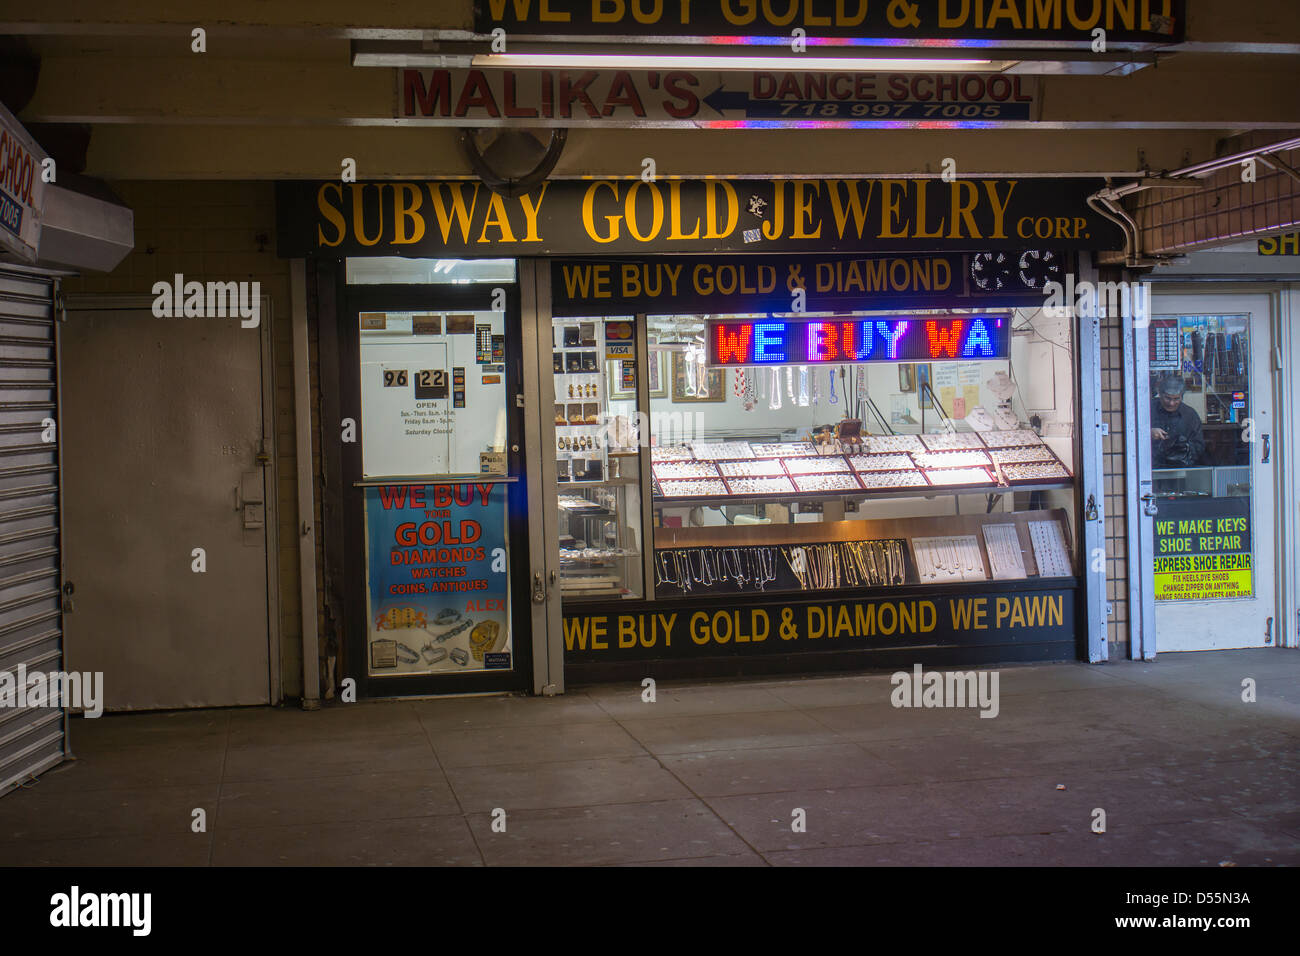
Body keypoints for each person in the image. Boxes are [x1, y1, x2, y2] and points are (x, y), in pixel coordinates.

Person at [1151, 373, 1205, 468]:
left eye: (1176, 399)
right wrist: (1148, 433)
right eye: (1167, 398)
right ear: (1160, 394)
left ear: (1182, 397)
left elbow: (1199, 446)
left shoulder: (1190, 415)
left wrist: (1185, 447)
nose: (1171, 403)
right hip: (1151, 467)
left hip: (1181, 468)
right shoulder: (1148, 410)